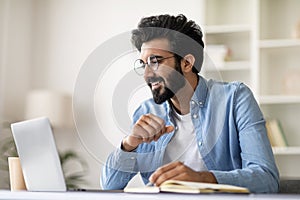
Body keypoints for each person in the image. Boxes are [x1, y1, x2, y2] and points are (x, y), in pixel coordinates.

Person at [101, 14, 279, 193]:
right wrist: (129, 144)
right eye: (143, 63)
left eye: (155, 61)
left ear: (186, 63)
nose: (147, 74)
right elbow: (109, 185)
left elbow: (266, 178)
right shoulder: (146, 111)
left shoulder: (234, 99)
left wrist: (203, 179)